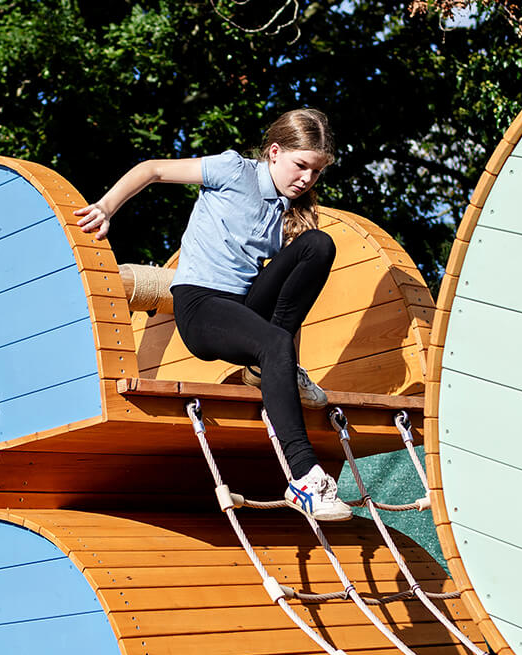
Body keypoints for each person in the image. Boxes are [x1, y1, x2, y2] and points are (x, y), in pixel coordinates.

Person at [75, 109, 352, 522]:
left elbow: (285, 290)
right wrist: (107, 207)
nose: (306, 180)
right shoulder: (232, 170)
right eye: (301, 166)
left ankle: (275, 367)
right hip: (201, 307)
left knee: (318, 245)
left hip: (241, 306)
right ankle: (302, 478)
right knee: (276, 342)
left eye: (315, 172)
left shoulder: (284, 209)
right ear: (274, 153)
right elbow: (151, 170)